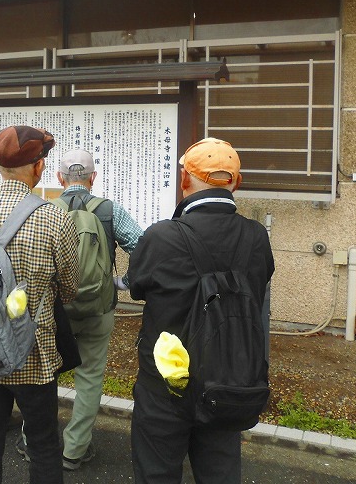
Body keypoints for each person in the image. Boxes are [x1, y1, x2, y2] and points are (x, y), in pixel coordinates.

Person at [128, 137, 274, 484]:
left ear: (184, 179)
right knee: (220, 474)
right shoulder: (256, 237)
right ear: (237, 182)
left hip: (165, 384)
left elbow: (137, 287)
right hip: (229, 380)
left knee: (156, 474)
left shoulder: (161, 236)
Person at [0, 125, 79, 484]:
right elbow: (70, 288)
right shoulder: (54, 216)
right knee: (43, 445)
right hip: (33, 352)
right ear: (39, 166)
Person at [51, 149, 143, 470]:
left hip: (55, 312)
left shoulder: (46, 210)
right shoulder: (109, 211)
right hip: (98, 308)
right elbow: (144, 246)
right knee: (89, 377)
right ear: (93, 177)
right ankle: (74, 450)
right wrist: (123, 282)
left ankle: (34, 441)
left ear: (59, 178)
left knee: (44, 374)